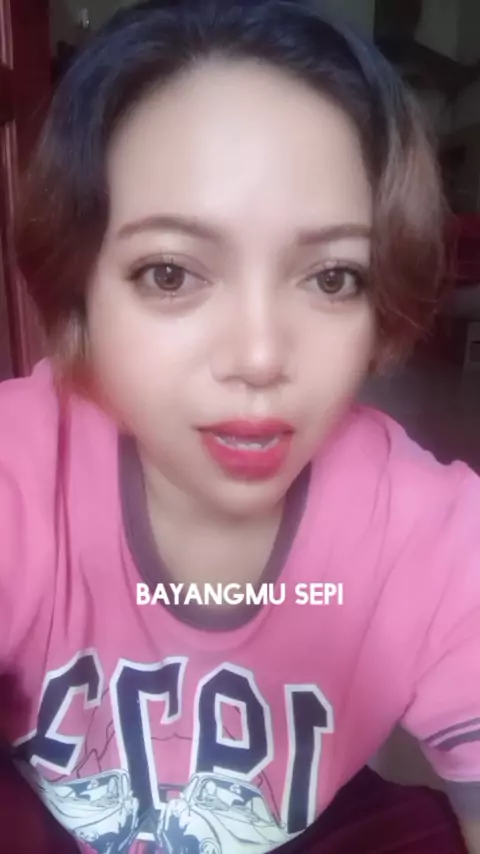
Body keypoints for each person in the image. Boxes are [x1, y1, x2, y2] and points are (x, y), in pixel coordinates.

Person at [1, 0, 480, 851]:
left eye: (332, 278)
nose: (259, 357)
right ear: (80, 289)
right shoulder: (19, 472)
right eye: (170, 273)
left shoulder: (434, 536)